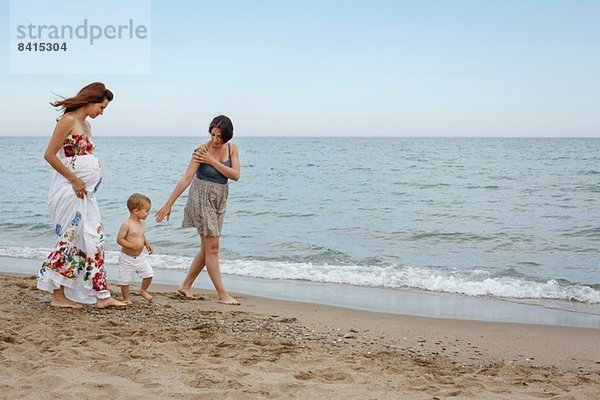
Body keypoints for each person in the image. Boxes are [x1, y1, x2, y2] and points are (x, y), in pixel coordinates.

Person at [37, 82, 126, 308]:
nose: (102, 112)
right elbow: (49, 155)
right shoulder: (68, 121)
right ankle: (58, 296)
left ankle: (102, 295)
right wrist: (75, 179)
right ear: (90, 101)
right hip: (68, 191)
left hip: (85, 194)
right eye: (102, 107)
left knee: (94, 239)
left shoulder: (86, 125)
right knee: (70, 239)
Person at [155, 115, 240, 305]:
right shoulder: (201, 150)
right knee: (213, 248)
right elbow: (186, 179)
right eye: (213, 135)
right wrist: (169, 203)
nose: (216, 140)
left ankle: (185, 286)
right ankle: (222, 294)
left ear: (228, 137)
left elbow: (235, 175)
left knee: (207, 247)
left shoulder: (232, 148)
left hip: (220, 198)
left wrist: (212, 161)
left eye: (220, 136)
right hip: (201, 197)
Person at [116, 193, 154, 304]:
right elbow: (120, 239)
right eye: (146, 211)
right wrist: (132, 245)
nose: (148, 213)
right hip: (127, 258)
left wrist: (146, 243)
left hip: (140, 257)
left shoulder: (142, 223)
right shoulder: (127, 224)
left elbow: (141, 235)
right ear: (136, 211)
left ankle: (143, 290)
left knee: (149, 274)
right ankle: (126, 299)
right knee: (125, 280)